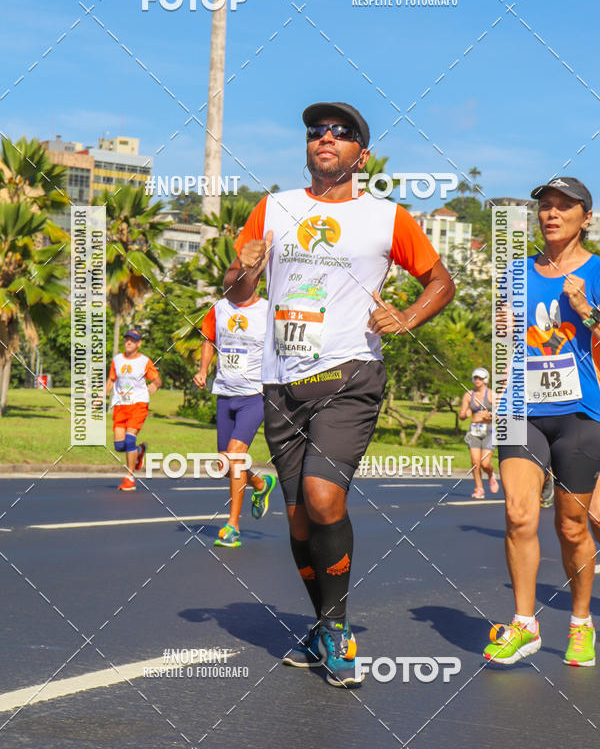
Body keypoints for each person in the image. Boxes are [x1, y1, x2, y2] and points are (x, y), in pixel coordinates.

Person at [224, 101, 455, 686]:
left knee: (325, 501)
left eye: (342, 132)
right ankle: (325, 624)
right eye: (316, 131)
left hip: (348, 376)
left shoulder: (387, 218)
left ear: (362, 153)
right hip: (280, 381)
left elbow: (440, 282)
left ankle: (339, 630)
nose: (326, 138)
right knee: (300, 523)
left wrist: (409, 318)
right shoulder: (273, 208)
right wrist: (246, 270)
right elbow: (235, 289)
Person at [484, 177, 600, 667]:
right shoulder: (514, 272)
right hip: (519, 409)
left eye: (563, 207)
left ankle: (579, 623)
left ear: (585, 219)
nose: (551, 214)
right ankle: (524, 624)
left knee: (572, 526)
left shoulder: (596, 271)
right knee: (517, 514)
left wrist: (587, 312)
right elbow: (506, 345)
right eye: (545, 207)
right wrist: (504, 333)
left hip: (580, 412)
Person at [193, 292, 276, 548]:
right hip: (225, 393)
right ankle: (261, 483)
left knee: (235, 456)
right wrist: (203, 369)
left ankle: (233, 527)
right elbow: (209, 339)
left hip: (254, 395)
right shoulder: (219, 308)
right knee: (225, 464)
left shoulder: (268, 309)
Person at [105, 329, 161, 491]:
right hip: (121, 405)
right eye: (127, 339)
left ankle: (129, 477)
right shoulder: (117, 360)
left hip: (138, 404)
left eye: (132, 340)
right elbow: (111, 379)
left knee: (129, 441)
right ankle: (139, 451)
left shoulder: (144, 361)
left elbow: (157, 380)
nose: (128, 343)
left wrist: (154, 385)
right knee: (119, 446)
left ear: (138, 344)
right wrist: (101, 396)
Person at [459, 367, 498, 499]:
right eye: (475, 378)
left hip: (489, 431)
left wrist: (491, 416)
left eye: (480, 378)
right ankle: (479, 488)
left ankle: (491, 474)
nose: (477, 380)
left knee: (485, 463)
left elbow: (500, 414)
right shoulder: (468, 395)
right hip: (474, 430)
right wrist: (466, 414)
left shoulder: (492, 394)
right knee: (475, 462)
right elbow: (462, 415)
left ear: (485, 380)